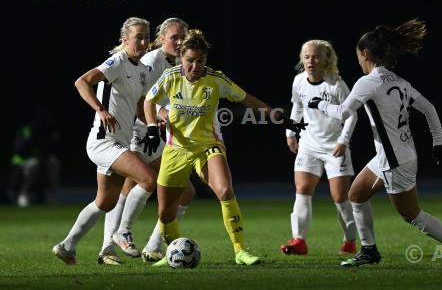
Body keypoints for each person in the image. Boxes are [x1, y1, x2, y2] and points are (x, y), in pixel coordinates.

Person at [308, 19, 442, 267]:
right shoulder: (398, 81)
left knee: (411, 215)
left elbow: (343, 112)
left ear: (365, 53)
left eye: (358, 56)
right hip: (392, 155)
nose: (358, 61)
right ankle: (369, 251)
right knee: (356, 194)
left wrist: (318, 104)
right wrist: (438, 141)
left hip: (395, 160)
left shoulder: (368, 82)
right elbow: (429, 108)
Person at [142, 29, 307, 266]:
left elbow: (246, 98)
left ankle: (240, 251)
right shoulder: (170, 77)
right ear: (181, 58)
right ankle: (173, 254)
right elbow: (150, 100)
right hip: (176, 149)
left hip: (209, 146)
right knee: (166, 213)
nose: (195, 66)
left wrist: (276, 115)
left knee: (225, 191)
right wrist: (150, 126)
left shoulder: (216, 79)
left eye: (201, 61)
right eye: (190, 61)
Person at [52, 17, 157, 265]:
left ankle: (67, 246)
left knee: (106, 201)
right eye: (138, 37)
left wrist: (155, 124)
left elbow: (140, 107)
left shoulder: (143, 70)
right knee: (148, 178)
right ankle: (122, 232)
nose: (143, 42)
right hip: (104, 142)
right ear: (125, 40)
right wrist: (100, 109)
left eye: (146, 36)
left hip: (118, 142)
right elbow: (82, 82)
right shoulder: (117, 61)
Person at [98, 18, 197, 265]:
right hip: (140, 133)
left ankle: (149, 246)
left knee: (182, 191)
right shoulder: (152, 61)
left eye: (183, 38)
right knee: (132, 186)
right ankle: (116, 240)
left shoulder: (181, 64)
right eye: (174, 37)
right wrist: (159, 120)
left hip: (154, 133)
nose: (179, 42)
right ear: (161, 38)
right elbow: (144, 101)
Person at [280, 40, 358, 256]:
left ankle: (350, 240)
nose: (310, 61)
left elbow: (352, 115)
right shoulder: (298, 81)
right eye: (306, 57)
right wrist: (290, 132)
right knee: (302, 190)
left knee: (340, 198)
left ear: (326, 59)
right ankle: (299, 241)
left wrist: (343, 140)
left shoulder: (336, 85)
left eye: (315, 57)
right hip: (309, 145)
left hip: (335, 147)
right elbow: (297, 106)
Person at [7, 105, 61, 207]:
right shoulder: (26, 130)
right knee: (33, 164)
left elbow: (55, 147)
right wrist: (33, 139)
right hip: (21, 162)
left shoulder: (47, 130)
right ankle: (24, 194)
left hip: (41, 161)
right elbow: (18, 149)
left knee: (54, 162)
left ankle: (52, 194)